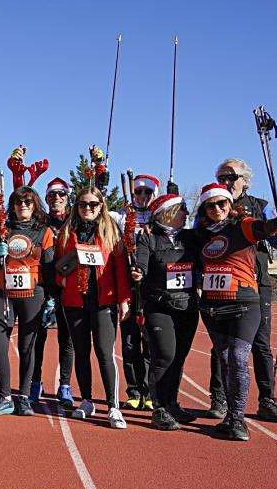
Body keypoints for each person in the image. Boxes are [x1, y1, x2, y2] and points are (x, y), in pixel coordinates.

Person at [192, 182, 277, 441]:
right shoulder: (200, 234)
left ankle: (238, 420)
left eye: (222, 203)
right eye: (210, 205)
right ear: (204, 208)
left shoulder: (242, 226)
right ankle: (230, 415)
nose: (217, 209)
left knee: (238, 357)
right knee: (223, 360)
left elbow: (271, 226)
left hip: (243, 303)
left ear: (229, 204)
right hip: (212, 306)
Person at [205, 158, 277, 423]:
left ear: (245, 180)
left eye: (231, 176)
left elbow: (271, 233)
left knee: (261, 343)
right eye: (221, 176)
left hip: (254, 283)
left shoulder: (257, 207)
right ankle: (218, 399)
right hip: (217, 288)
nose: (225, 181)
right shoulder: (210, 207)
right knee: (221, 348)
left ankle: (267, 400)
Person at [54, 186, 132, 429]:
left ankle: (113, 406)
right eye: (82, 204)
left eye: (93, 205)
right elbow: (57, 266)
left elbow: (120, 269)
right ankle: (86, 400)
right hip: (75, 301)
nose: (87, 209)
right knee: (81, 351)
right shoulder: (67, 232)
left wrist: (123, 299)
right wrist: (62, 280)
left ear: (101, 206)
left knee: (104, 352)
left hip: (103, 300)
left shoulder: (111, 233)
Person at [131, 194, 201, 430]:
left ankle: (172, 403)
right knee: (165, 356)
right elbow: (141, 262)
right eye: (182, 208)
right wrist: (138, 271)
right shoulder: (149, 239)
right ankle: (158, 408)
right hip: (159, 306)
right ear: (167, 212)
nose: (186, 212)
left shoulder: (191, 238)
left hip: (188, 307)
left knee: (178, 359)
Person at [0, 186, 55, 417]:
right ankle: (5, 396)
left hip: (32, 293)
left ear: (35, 204)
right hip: (4, 292)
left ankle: (24, 397)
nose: (23, 205)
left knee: (28, 346)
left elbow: (49, 265)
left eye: (27, 201)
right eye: (18, 202)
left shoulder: (44, 231)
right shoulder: (2, 230)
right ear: (12, 206)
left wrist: (51, 298)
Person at [32, 177, 75, 409]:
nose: (56, 199)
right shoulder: (41, 222)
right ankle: (35, 382)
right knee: (38, 338)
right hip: (42, 286)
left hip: (68, 287)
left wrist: (100, 176)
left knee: (66, 338)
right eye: (51, 196)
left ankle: (65, 384)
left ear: (68, 198)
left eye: (61, 195)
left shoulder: (75, 220)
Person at [119, 174, 158, 410]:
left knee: (152, 341)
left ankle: (152, 390)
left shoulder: (161, 215)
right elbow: (99, 206)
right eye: (138, 192)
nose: (142, 196)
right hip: (128, 286)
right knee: (130, 341)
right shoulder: (122, 216)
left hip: (152, 287)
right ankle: (134, 390)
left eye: (147, 192)